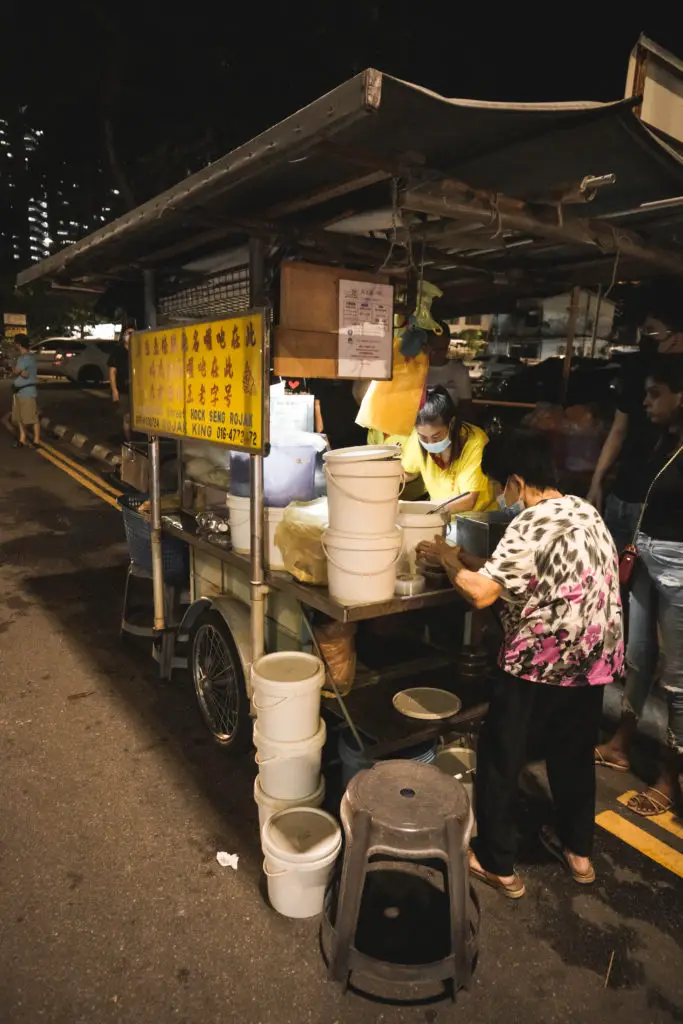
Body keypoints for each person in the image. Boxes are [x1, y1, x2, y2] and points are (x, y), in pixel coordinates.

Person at [418, 431, 623, 897]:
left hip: (541, 658)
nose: (502, 499)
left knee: (501, 757)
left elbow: (482, 592)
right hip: (594, 657)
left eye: (502, 488)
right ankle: (580, 853)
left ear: (516, 481)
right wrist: (462, 559)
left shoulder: (530, 521)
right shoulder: (584, 512)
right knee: (572, 755)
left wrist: (450, 561)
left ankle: (497, 864)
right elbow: (510, 570)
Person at [596, 356, 683, 815]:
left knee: (677, 678)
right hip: (648, 558)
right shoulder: (663, 442)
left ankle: (671, 778)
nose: (646, 401)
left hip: (678, 569)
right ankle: (621, 742)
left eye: (655, 393)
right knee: (637, 656)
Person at [587, 312, 682, 551]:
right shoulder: (639, 370)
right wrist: (597, 481)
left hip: (659, 513)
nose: (646, 338)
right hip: (623, 492)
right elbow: (618, 430)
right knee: (612, 571)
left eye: (652, 330)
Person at [401, 386, 495, 513]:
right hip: (439, 516)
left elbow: (468, 500)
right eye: (423, 438)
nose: (430, 443)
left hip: (474, 519)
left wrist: (415, 508)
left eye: (436, 436)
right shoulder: (417, 437)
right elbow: (409, 473)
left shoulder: (476, 442)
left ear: (451, 423)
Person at [426, 321, 473, 416]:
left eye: (440, 349)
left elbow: (466, 405)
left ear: (447, 343)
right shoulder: (415, 369)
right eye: (432, 349)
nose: (435, 354)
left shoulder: (459, 371)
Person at [11, 334, 40, 448]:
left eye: (15, 343)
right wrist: (19, 372)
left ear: (18, 344)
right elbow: (19, 372)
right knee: (19, 417)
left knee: (32, 417)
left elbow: (17, 370)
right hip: (19, 391)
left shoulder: (26, 358)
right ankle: (22, 439)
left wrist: (16, 370)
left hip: (27, 392)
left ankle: (36, 440)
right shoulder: (24, 357)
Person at [108, 326, 133, 442]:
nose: (130, 335)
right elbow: (112, 372)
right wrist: (114, 390)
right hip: (123, 390)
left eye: (133, 333)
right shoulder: (118, 351)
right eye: (128, 333)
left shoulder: (140, 349)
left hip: (138, 391)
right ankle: (128, 441)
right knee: (126, 416)